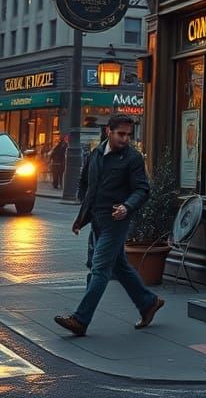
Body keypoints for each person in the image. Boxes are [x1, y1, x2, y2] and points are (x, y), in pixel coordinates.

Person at [53, 114, 165, 336]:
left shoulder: (132, 158)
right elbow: (86, 184)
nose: (125, 139)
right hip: (97, 220)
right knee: (119, 267)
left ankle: (80, 319)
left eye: (128, 135)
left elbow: (142, 189)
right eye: (121, 134)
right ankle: (148, 302)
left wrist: (127, 206)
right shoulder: (95, 154)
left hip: (117, 221)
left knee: (100, 269)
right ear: (108, 132)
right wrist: (82, 218)